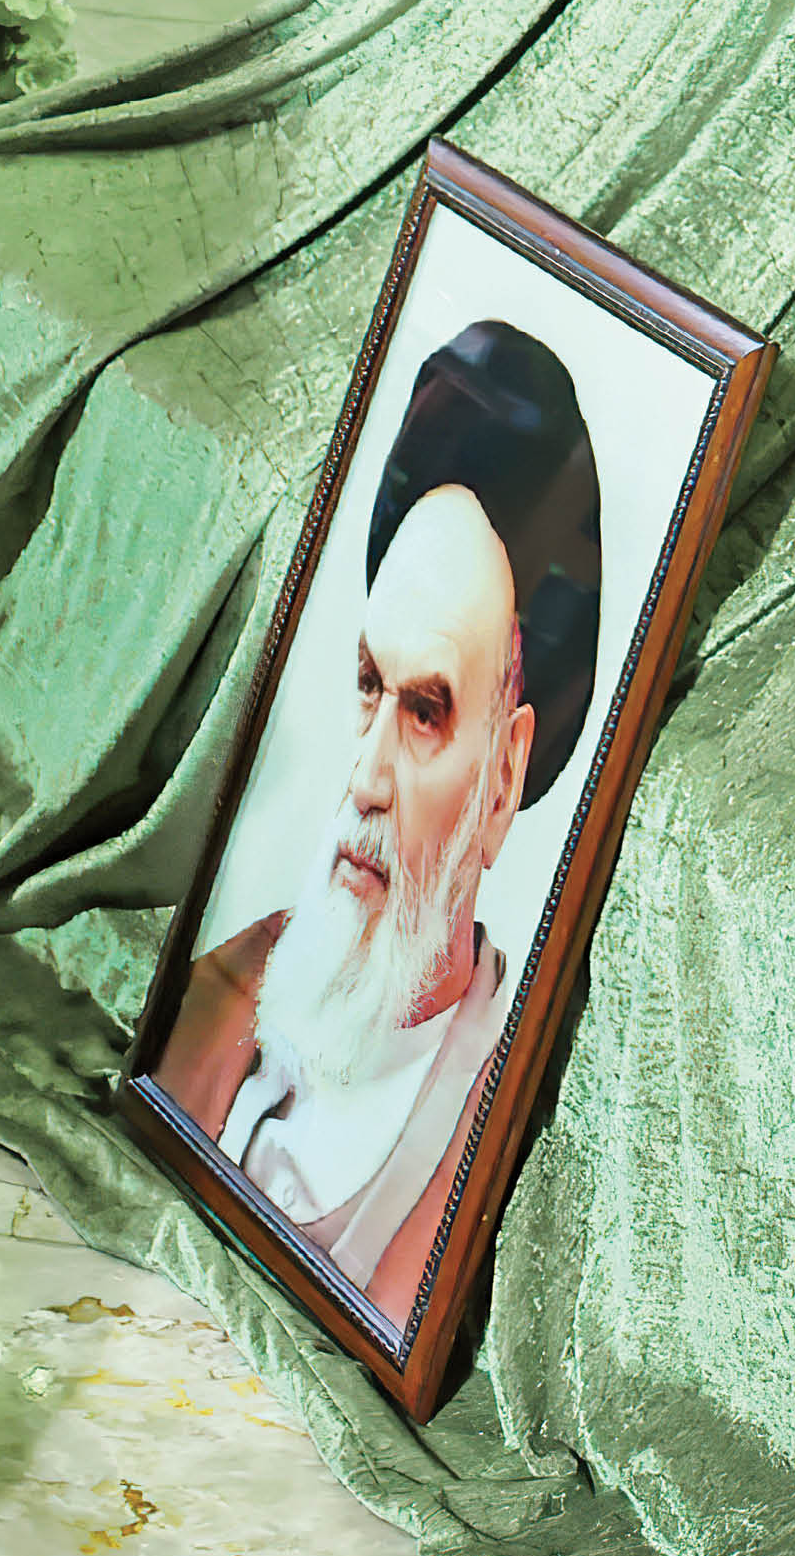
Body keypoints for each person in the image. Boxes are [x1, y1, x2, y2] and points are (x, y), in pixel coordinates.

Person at [161, 323, 604, 1319]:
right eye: (370, 684)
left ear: (501, 779)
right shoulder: (232, 977)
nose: (364, 777)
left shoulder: (488, 1125)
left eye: (425, 711)